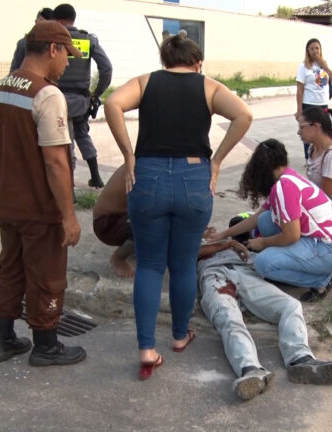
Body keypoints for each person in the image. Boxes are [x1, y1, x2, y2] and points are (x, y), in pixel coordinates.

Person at [104, 35, 252, 380]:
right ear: (197, 62)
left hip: (148, 176)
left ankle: (145, 348)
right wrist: (216, 162)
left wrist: (129, 155)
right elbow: (244, 115)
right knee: (183, 264)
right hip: (193, 177)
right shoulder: (209, 87)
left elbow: (113, 104)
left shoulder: (146, 82)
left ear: (165, 61)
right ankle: (180, 336)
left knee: (151, 266)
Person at [0, 21, 86, 367]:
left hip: (3, 200)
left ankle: (3, 340)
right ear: (52, 50)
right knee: (47, 274)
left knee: (10, 267)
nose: (67, 63)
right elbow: (56, 161)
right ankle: (46, 345)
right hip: (38, 206)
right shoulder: (47, 94)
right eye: (65, 55)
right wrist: (69, 216)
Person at [197, 234, 332, 401]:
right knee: (229, 317)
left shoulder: (233, 238)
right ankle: (250, 370)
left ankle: (301, 359)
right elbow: (190, 252)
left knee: (291, 305)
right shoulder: (191, 236)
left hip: (246, 272)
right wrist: (227, 244)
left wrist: (238, 242)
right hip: (214, 274)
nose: (208, 228)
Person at [206, 139, 332, 303]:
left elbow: (292, 236)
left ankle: (322, 280)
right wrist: (224, 234)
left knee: (263, 264)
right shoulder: (288, 177)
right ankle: (290, 261)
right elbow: (255, 218)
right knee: (265, 220)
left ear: (263, 167)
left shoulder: (284, 187)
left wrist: (263, 243)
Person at [53, 3, 113, 188]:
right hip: (81, 101)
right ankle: (96, 177)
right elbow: (107, 68)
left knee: (66, 144)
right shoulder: (88, 39)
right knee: (82, 135)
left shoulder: (54, 41)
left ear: (60, 21)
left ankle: (68, 189)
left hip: (58, 99)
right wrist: (97, 93)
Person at [298, 106, 332, 218]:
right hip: (318, 204)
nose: (298, 132)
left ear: (316, 126)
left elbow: (327, 198)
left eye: (301, 127)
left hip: (331, 209)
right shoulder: (312, 148)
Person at [296, 38, 332, 163]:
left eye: (317, 48)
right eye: (312, 49)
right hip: (309, 104)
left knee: (324, 132)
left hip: (323, 104)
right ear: (308, 51)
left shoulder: (324, 65)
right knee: (308, 133)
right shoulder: (303, 67)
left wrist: (324, 65)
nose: (315, 51)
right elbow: (299, 89)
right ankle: (309, 158)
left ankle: (323, 157)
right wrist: (299, 110)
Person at [92, 164, 135, 278]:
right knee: (151, 223)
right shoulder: (146, 165)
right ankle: (118, 259)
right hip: (106, 225)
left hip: (118, 217)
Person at [9, 7, 54, 72]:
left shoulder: (55, 44)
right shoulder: (24, 43)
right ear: (36, 22)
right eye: (42, 22)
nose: (44, 26)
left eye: (48, 23)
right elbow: (14, 70)